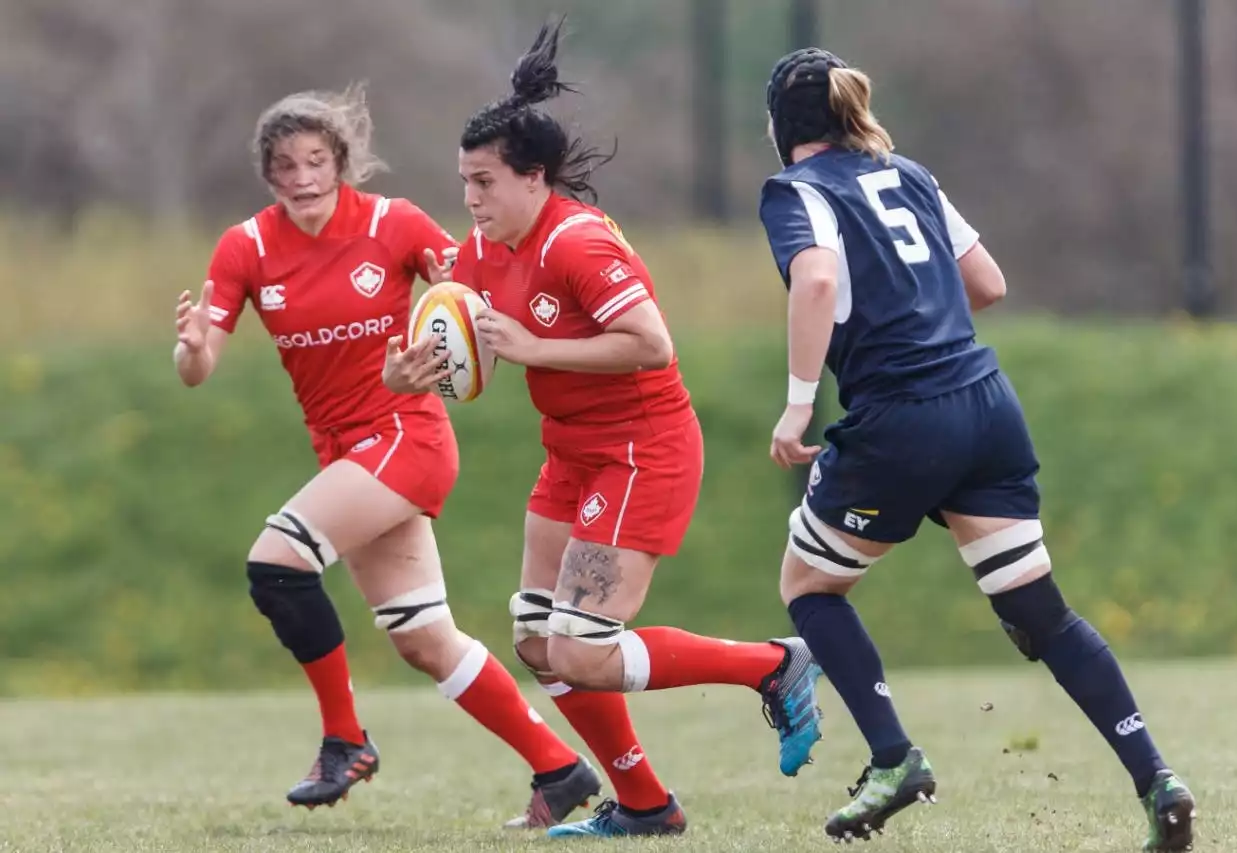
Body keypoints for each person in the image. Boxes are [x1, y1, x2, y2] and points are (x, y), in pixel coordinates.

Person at [385, 19, 824, 840]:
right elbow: (453, 344)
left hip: (640, 450)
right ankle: (648, 805)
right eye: (464, 182)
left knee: (583, 649)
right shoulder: (483, 252)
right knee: (535, 638)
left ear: (533, 177)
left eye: (483, 182)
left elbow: (653, 343)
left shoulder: (578, 241)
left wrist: (531, 345)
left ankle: (773, 663)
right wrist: (409, 371)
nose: (470, 199)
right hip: (572, 454)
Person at [755, 48, 1197, 850]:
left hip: (902, 416)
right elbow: (986, 282)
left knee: (809, 586)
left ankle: (894, 758)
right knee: (1039, 611)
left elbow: (816, 283)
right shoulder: (909, 173)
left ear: (779, 127)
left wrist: (795, 410)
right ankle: (1157, 774)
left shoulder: (796, 190)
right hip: (987, 403)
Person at [172, 83, 603, 825]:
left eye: (316, 160)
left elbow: (469, 295)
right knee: (425, 641)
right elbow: (198, 366)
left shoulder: (391, 223)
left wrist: (455, 346)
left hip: (406, 436)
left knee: (278, 561)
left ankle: (344, 738)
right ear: (267, 174)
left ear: (343, 163)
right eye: (284, 165)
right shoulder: (245, 246)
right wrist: (189, 346)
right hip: (345, 452)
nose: (302, 177)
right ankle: (559, 770)